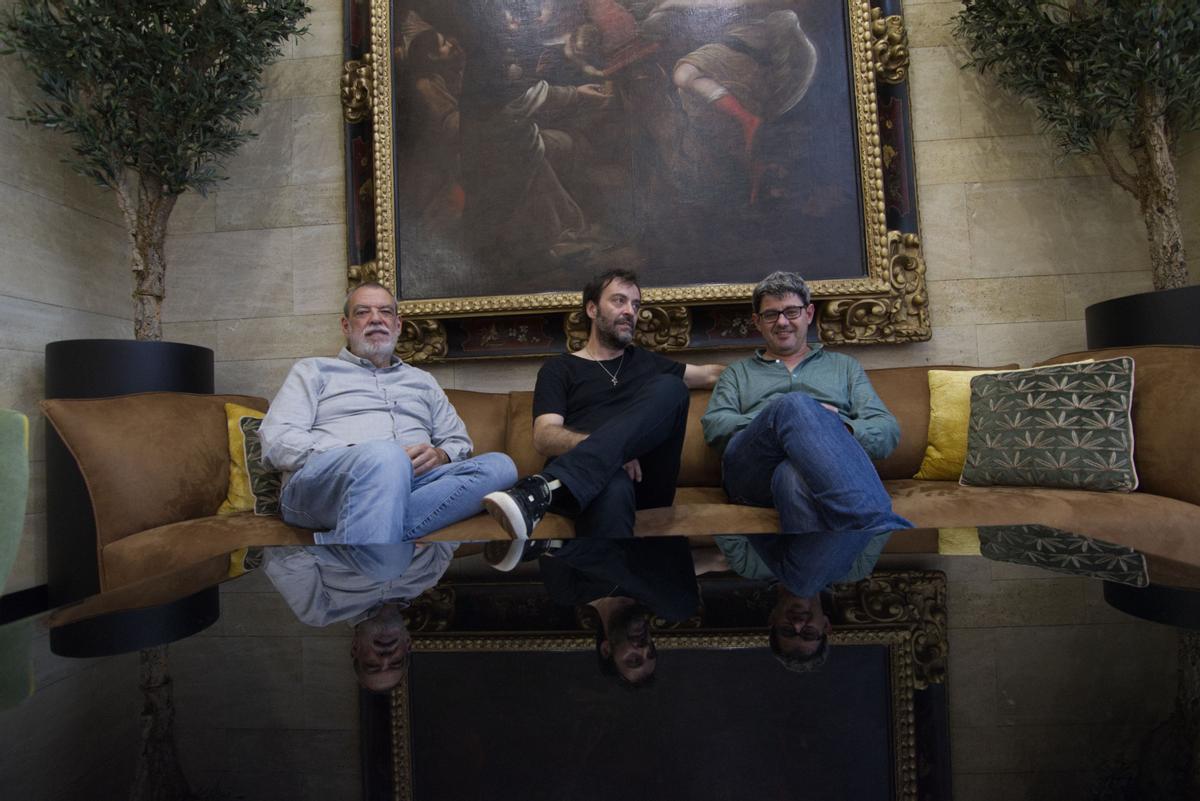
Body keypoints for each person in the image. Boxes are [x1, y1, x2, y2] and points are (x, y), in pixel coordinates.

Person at [700, 270, 911, 669]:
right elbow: (717, 428)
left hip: (808, 481)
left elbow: (885, 431)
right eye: (771, 314)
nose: (782, 321)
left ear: (809, 313)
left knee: (793, 476)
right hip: (751, 474)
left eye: (791, 311)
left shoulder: (844, 368)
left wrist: (835, 428)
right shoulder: (738, 374)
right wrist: (787, 419)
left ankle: (845, 493)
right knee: (795, 406)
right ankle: (870, 514)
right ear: (757, 322)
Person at [259, 281, 517, 547]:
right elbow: (278, 441)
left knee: (501, 466)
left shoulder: (423, 381)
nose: (375, 319)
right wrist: (360, 458)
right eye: (362, 312)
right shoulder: (313, 371)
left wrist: (441, 455)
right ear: (346, 326)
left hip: (414, 483)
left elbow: (459, 442)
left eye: (385, 312)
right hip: (328, 485)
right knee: (385, 455)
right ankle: (377, 523)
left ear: (398, 325)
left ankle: (356, 537)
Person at [484, 268, 723, 550]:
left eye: (635, 305)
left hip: (647, 482)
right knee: (612, 483)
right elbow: (544, 436)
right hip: (591, 487)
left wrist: (773, 371)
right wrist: (611, 454)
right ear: (592, 309)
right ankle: (610, 588)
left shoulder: (647, 362)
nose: (630, 312)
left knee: (672, 387)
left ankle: (541, 490)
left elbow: (710, 375)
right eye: (619, 301)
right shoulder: (559, 369)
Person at [262, 543, 454, 692]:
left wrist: (361, 554)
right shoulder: (429, 577)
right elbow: (456, 528)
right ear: (408, 643)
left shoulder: (320, 610)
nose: (385, 657)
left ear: (355, 648)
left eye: (372, 665)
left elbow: (283, 557)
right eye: (396, 662)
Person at [535, 537, 700, 686]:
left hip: (599, 514)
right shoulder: (661, 596)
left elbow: (548, 538)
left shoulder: (569, 592)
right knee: (680, 610)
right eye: (651, 653)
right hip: (656, 514)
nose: (644, 648)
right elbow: (706, 562)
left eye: (634, 660)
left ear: (606, 649)